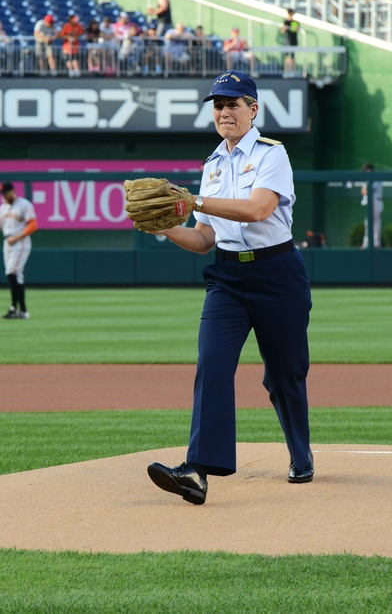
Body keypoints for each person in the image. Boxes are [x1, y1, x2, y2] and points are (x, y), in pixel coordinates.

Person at [144, 71, 313, 505]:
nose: (224, 112)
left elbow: (258, 211)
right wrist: (166, 227)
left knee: (284, 377)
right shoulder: (212, 165)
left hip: (277, 274)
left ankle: (300, 453)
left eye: (233, 103)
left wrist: (193, 200)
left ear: (253, 109)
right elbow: (203, 239)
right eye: (218, 105)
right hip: (227, 279)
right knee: (213, 364)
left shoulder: (273, 155)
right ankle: (197, 471)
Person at [0, 181, 38, 320]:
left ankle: (14, 307)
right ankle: (23, 311)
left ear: (12, 191)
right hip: (7, 243)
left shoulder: (24, 205)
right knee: (17, 276)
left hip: (20, 242)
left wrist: (17, 237)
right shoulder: (3, 208)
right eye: (2, 194)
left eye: (5, 193)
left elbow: (33, 225)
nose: (3, 196)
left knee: (11, 272)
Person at [359, 162, 383, 248]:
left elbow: (368, 191)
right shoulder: (366, 180)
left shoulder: (375, 179)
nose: (366, 171)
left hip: (376, 202)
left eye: (367, 170)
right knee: (368, 223)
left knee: (375, 223)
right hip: (370, 202)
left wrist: (365, 190)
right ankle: (366, 243)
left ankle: (376, 243)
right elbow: (362, 191)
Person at [280, 8, 299, 76]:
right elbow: (282, 31)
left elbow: (297, 29)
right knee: (288, 57)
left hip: (293, 41)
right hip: (288, 41)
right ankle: (286, 71)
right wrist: (285, 28)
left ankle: (292, 72)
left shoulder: (295, 22)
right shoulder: (286, 22)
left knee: (292, 57)